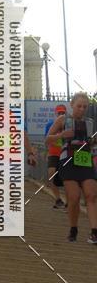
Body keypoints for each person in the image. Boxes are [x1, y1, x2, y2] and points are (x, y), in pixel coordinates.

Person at [46, 92, 97, 243]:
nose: (82, 109)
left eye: (85, 107)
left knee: (91, 195)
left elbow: (92, 143)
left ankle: (94, 232)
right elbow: (47, 139)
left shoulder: (90, 122)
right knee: (73, 198)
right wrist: (61, 135)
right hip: (68, 160)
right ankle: (73, 228)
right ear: (72, 105)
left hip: (86, 160)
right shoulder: (63, 119)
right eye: (79, 106)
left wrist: (93, 142)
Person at [45, 105, 67, 209]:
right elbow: (47, 139)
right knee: (51, 175)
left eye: (63, 113)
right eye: (59, 113)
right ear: (56, 113)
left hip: (64, 153)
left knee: (66, 177)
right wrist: (46, 152)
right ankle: (58, 199)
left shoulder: (68, 124)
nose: (61, 114)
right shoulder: (50, 124)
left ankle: (68, 201)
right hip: (53, 153)